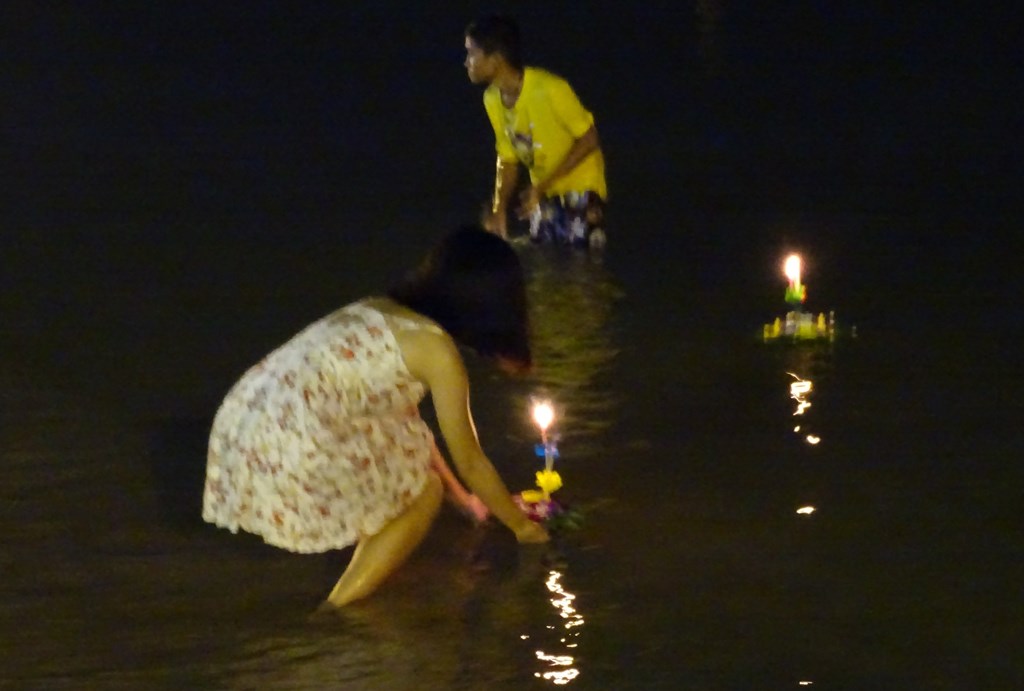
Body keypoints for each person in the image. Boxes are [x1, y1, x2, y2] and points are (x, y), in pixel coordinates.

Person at [202, 227, 549, 608]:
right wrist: (522, 529)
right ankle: (337, 609)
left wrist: (466, 502)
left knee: (405, 469)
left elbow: (407, 430)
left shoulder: (380, 308)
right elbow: (470, 459)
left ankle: (364, 569)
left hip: (246, 417)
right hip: (292, 440)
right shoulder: (438, 353)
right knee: (425, 494)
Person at [464, 14, 608, 249]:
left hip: (581, 191)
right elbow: (508, 157)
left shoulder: (550, 89)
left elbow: (590, 138)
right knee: (544, 268)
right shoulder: (491, 99)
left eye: (472, 53)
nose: (467, 62)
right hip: (542, 193)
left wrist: (541, 187)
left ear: (496, 59)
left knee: (582, 270)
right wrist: (499, 208)